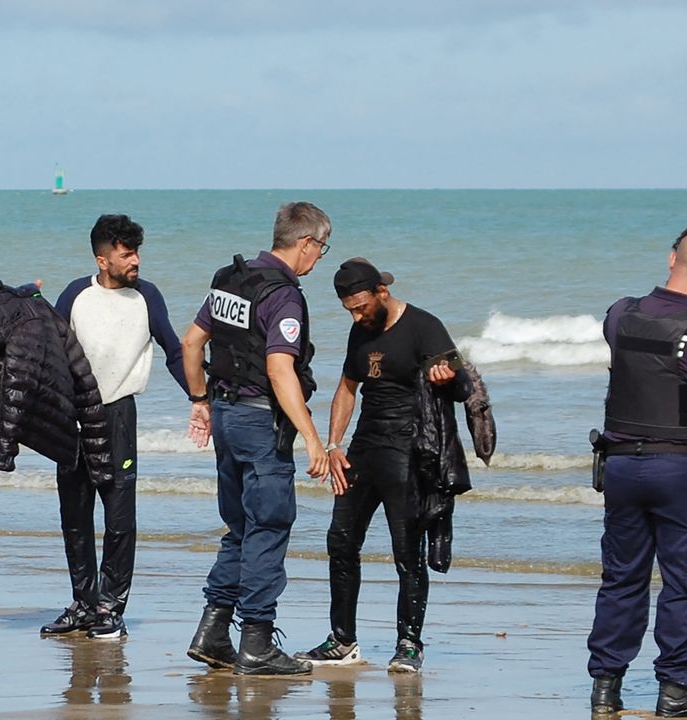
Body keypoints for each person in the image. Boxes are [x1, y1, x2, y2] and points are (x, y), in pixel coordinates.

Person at [587, 230, 687, 718]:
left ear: (671, 259)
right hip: (682, 466)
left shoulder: (620, 314)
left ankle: (605, 686)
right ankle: (676, 688)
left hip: (620, 464)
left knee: (621, 577)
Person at [294, 258, 471, 674]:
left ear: (382, 293)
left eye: (360, 306)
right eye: (349, 310)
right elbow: (347, 388)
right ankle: (342, 641)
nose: (356, 316)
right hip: (364, 449)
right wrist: (334, 443)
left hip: (410, 453)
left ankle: (409, 643)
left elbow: (465, 387)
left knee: (406, 551)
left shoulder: (424, 327)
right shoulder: (361, 331)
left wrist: (448, 378)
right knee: (340, 540)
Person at [181, 202, 333, 676]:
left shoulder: (231, 280)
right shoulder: (284, 295)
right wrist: (311, 436)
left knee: (240, 529)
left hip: (225, 414)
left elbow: (191, 343)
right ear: (305, 242)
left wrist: (201, 401)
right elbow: (279, 368)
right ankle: (257, 644)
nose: (319, 259)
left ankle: (212, 633)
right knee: (268, 526)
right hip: (260, 423)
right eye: (321, 249)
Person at [41, 214, 190, 640]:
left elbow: (174, 352)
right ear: (102, 260)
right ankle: (84, 602)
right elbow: (46, 350)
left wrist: (200, 399)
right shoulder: (75, 294)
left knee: (119, 516)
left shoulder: (147, 298)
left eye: (137, 252)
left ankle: (111, 605)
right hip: (73, 416)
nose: (136, 261)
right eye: (127, 255)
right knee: (75, 513)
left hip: (118, 414)